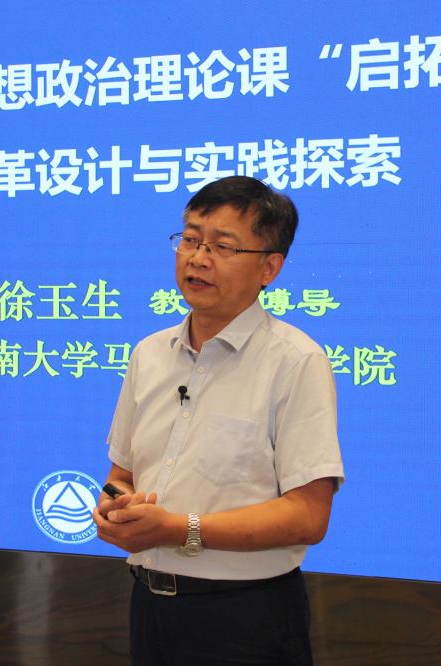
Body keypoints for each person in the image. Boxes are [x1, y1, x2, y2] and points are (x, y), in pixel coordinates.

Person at [92, 176, 344, 665]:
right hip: (148, 606)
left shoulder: (296, 361)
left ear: (270, 267)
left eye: (222, 247)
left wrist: (178, 528)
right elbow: (121, 475)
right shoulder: (149, 353)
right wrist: (116, 509)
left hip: (244, 617)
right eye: (190, 239)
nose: (198, 258)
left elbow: (308, 517)